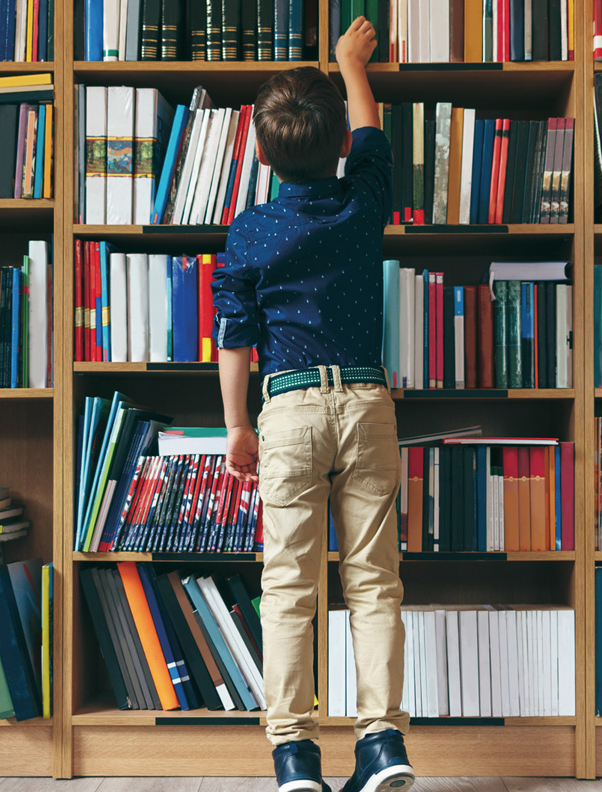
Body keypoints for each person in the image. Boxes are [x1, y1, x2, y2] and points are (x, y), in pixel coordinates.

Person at [211, 16, 413, 792]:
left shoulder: (252, 229)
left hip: (289, 410)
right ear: (337, 150)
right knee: (374, 582)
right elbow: (371, 137)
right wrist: (350, 64)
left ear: (261, 154)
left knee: (289, 585)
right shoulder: (364, 204)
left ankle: (294, 753)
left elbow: (234, 334)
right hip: (367, 404)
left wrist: (235, 425)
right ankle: (382, 743)